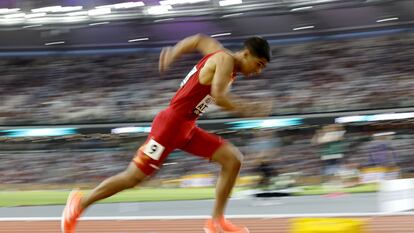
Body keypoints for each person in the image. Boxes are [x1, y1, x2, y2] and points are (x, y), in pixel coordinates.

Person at [61, 33, 271, 233]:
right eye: (258, 64)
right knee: (133, 177)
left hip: (187, 128)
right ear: (246, 54)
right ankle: (80, 203)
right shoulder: (224, 60)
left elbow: (199, 40)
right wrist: (249, 108)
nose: (258, 71)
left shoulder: (220, 54)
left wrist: (174, 51)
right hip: (169, 126)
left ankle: (216, 221)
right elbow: (218, 96)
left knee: (232, 159)